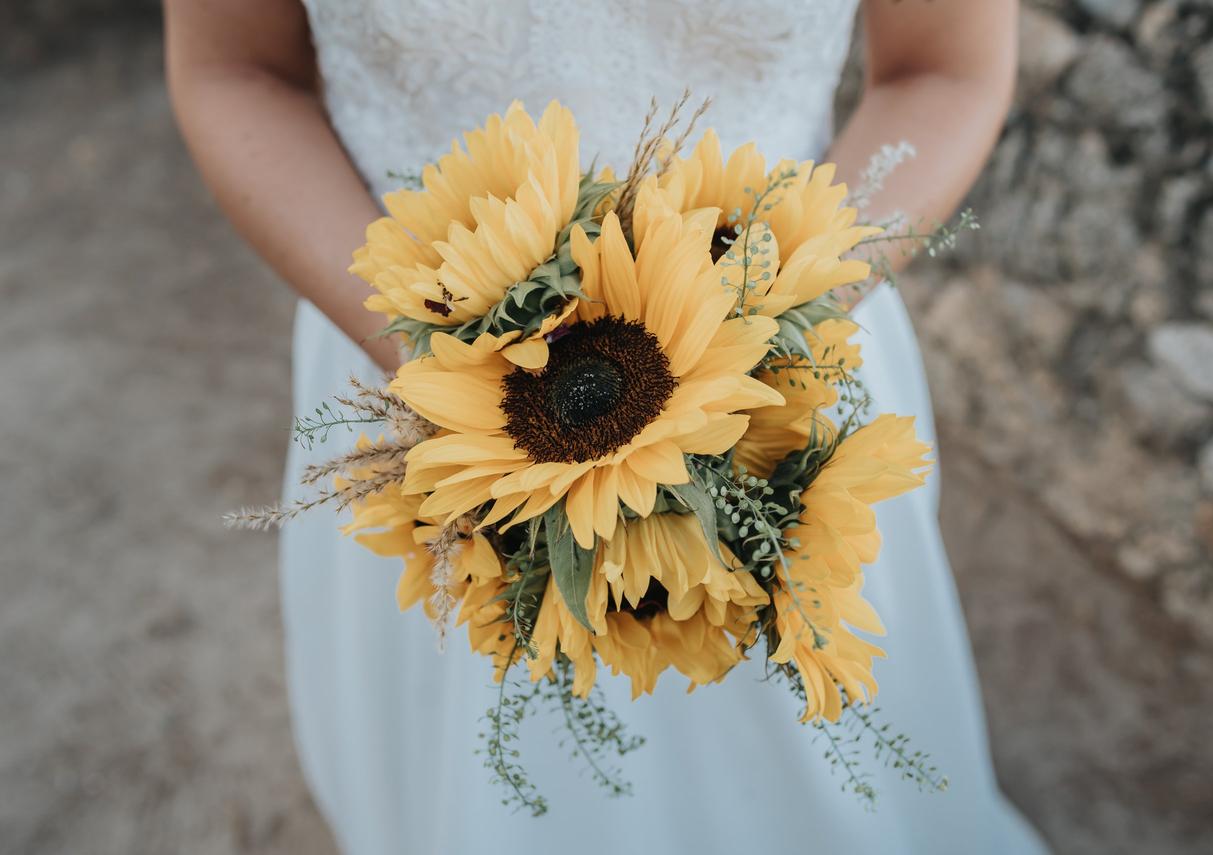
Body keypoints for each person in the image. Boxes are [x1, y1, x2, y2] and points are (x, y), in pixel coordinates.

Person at [166, 2, 1047, 852]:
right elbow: (236, 70)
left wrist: (764, 329)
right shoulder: (426, 371)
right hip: (417, 381)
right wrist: (437, 363)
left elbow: (944, 70)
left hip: (781, 363)